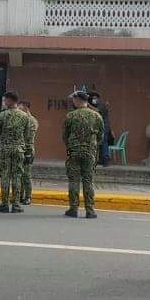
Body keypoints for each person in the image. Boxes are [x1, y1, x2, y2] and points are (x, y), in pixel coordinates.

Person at [62, 91, 103, 219]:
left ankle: (73, 209)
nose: (73, 101)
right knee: (88, 181)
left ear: (78, 100)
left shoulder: (70, 116)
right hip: (90, 152)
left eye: (74, 99)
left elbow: (65, 135)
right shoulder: (96, 116)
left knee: (74, 180)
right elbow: (101, 135)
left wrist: (70, 145)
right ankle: (90, 210)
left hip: (74, 151)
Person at [0, 91, 33, 214]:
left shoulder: (2, 116)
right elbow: (27, 136)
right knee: (17, 176)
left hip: (5, 150)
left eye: (5, 100)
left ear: (10, 100)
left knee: (5, 176)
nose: (4, 102)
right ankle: (16, 204)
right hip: (19, 150)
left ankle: (5, 204)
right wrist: (28, 152)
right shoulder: (25, 116)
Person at [17, 100, 37, 205]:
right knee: (19, 175)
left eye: (20, 109)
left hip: (27, 151)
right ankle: (19, 196)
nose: (18, 110)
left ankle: (28, 197)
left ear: (25, 109)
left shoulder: (31, 121)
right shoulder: (21, 119)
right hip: (20, 150)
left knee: (26, 175)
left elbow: (29, 138)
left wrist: (28, 153)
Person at [88, 92, 112, 166]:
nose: (94, 99)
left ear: (98, 99)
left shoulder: (101, 105)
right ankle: (101, 159)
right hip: (100, 126)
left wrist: (88, 105)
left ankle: (106, 159)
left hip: (104, 126)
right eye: (93, 98)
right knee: (100, 143)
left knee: (104, 142)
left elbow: (97, 111)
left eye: (95, 98)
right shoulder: (96, 105)